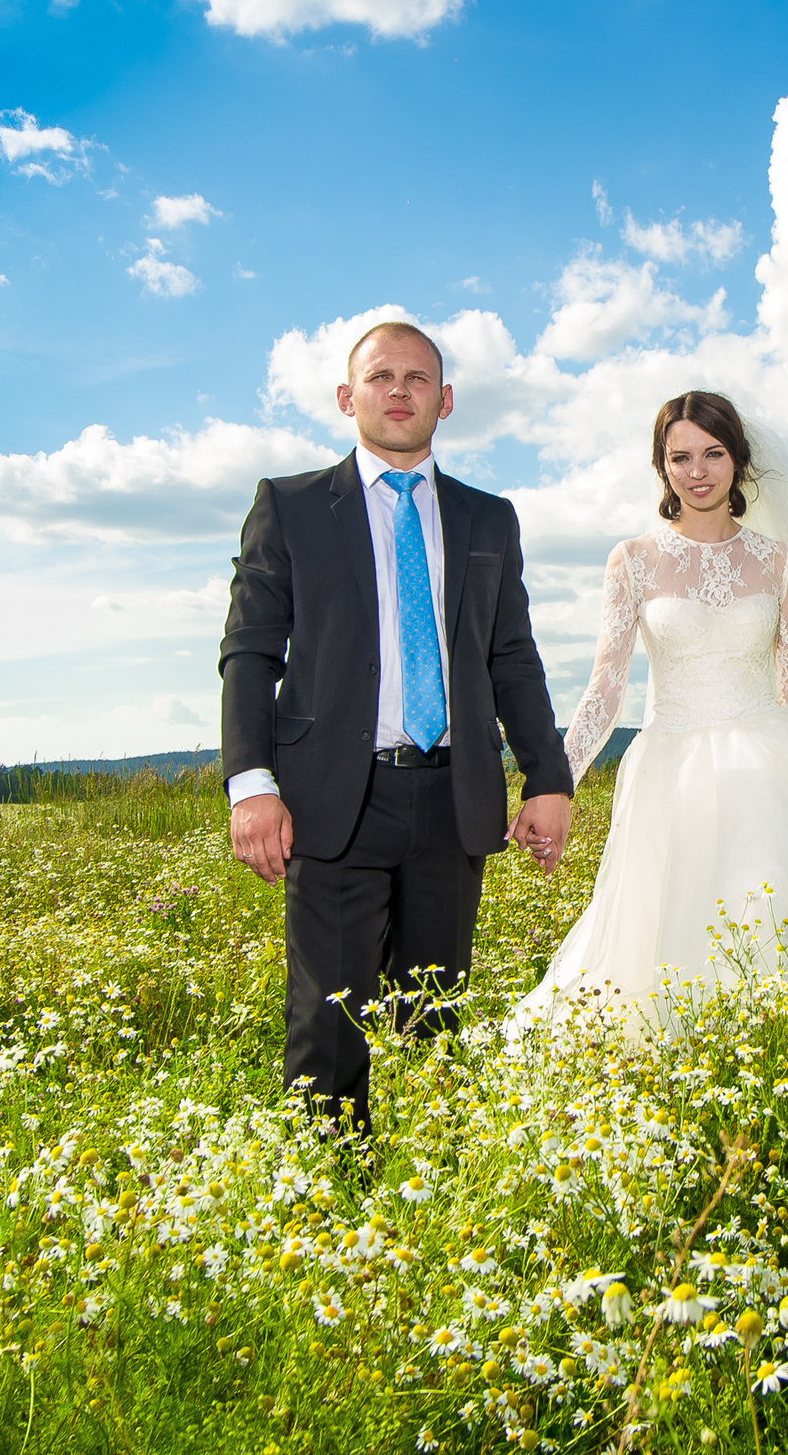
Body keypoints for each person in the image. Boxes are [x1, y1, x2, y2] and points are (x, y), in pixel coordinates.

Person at [221, 320, 576, 1131]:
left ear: (444, 401)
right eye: (381, 376)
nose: (399, 391)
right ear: (349, 397)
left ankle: (427, 1196)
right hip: (331, 800)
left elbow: (513, 656)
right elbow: (249, 652)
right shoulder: (293, 506)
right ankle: (327, 1195)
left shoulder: (490, 519)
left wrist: (547, 777)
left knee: (435, 1019)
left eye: (418, 379)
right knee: (328, 1022)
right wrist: (252, 784)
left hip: (454, 799)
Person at [509, 389, 788, 1038]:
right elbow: (605, 687)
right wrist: (554, 780)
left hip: (767, 772)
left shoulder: (778, 560)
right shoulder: (632, 560)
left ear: (738, 460)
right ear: (662, 466)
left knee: (764, 925)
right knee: (664, 934)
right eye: (680, 456)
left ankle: (765, 1062)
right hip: (669, 771)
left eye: (713, 453)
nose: (698, 470)